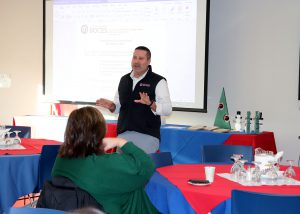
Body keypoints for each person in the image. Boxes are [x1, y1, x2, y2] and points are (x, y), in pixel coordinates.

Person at [51, 106, 159, 214]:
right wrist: (121, 142)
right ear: (98, 133)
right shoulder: (106, 164)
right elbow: (147, 165)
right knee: (135, 188)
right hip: (106, 209)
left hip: (71, 209)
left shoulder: (61, 159)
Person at [96, 46, 172, 153]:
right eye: (134, 57)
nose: (136, 61)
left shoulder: (158, 81)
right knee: (120, 167)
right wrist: (112, 106)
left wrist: (151, 104)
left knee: (138, 166)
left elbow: (168, 109)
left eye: (141, 58)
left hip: (147, 136)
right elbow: (118, 107)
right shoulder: (124, 80)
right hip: (124, 136)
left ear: (148, 61)